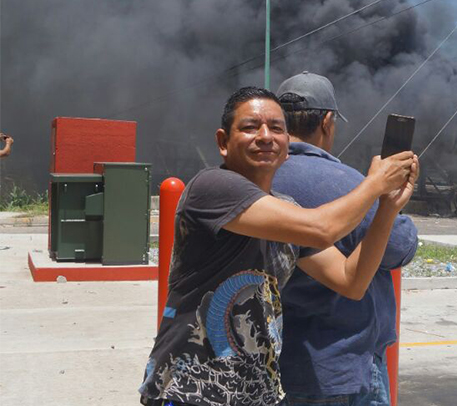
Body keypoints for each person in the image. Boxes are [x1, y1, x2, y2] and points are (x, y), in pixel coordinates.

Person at [138, 86, 418, 406]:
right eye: (249, 127)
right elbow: (322, 228)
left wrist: (387, 207)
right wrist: (374, 184)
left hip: (253, 395)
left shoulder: (285, 210)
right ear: (222, 143)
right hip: (191, 391)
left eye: (276, 127)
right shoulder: (212, 187)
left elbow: (350, 280)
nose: (265, 135)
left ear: (287, 145)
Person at [272, 72, 419, 405]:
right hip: (345, 368)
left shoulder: (258, 179)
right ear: (327, 122)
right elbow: (400, 246)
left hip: (287, 358)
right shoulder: (346, 182)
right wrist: (387, 200)